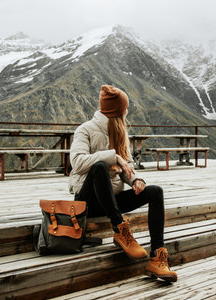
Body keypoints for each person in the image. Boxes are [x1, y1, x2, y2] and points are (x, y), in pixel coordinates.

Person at [69, 85, 177, 282]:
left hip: (112, 199)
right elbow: (76, 163)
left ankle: (157, 256)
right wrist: (113, 157)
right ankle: (120, 229)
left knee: (156, 192)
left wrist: (135, 179)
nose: (127, 111)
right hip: (88, 203)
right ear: (117, 110)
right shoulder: (85, 130)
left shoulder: (119, 132)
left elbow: (126, 167)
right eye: (125, 108)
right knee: (100, 167)